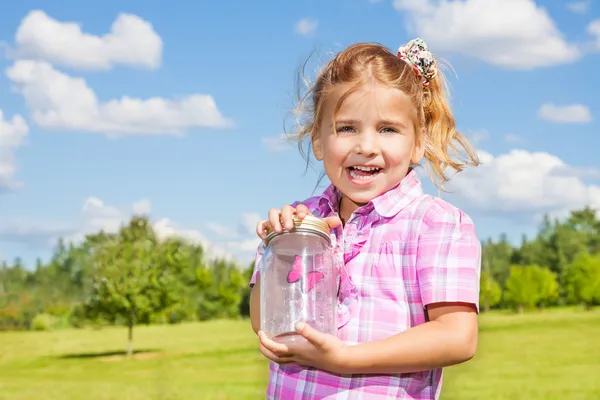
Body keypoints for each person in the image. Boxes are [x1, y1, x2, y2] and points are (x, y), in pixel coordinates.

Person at [248, 38, 482, 399]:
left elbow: (457, 336)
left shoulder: (435, 224)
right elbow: (263, 323)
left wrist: (346, 359)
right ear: (318, 140)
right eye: (346, 128)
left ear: (418, 143)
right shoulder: (303, 221)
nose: (367, 146)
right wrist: (279, 249)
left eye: (388, 129)